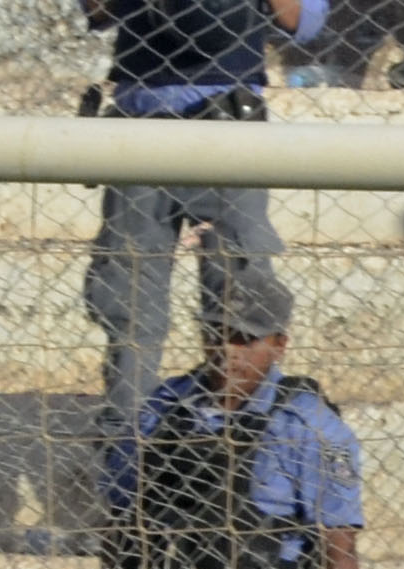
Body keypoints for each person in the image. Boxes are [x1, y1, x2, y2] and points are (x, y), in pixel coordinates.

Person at [79, 0, 311, 438]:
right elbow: (99, 11)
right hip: (137, 126)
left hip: (229, 124)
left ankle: (240, 443)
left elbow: (299, 19)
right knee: (130, 305)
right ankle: (126, 447)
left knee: (242, 305)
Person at [100, 281, 364, 569]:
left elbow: (339, 544)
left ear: (279, 344)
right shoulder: (165, 408)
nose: (227, 350)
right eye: (216, 334)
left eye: (245, 339)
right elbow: (120, 515)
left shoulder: (306, 424)